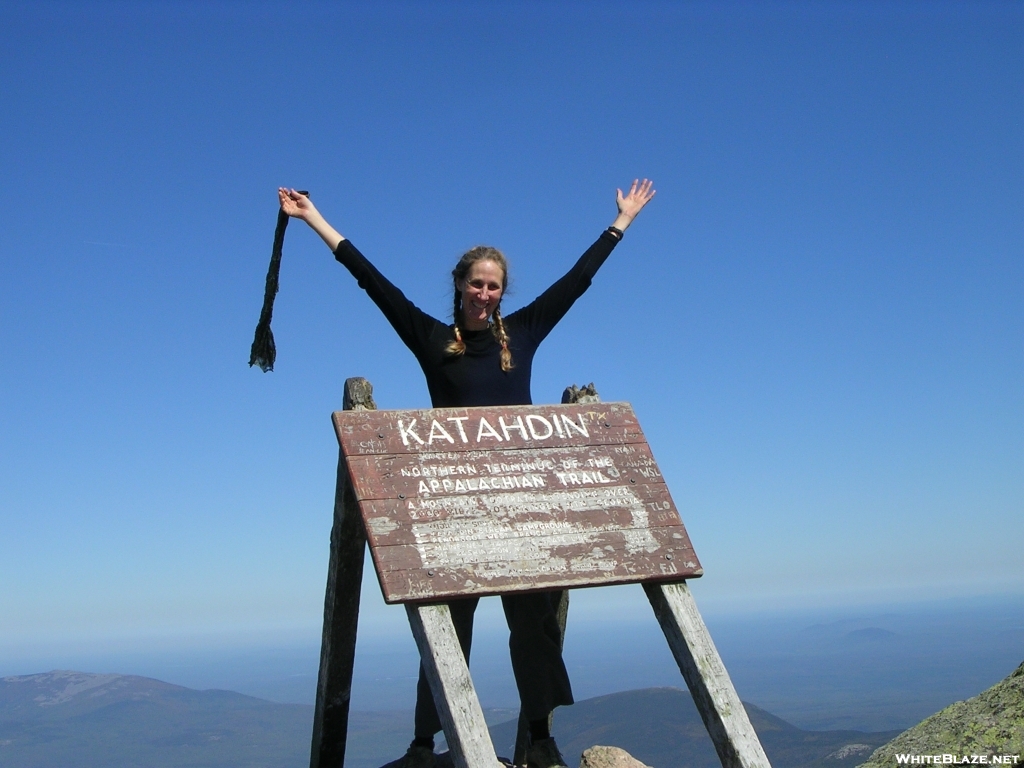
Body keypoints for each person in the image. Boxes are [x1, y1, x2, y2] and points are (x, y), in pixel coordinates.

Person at [279, 179, 655, 768]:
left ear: (502, 293)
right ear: (458, 285)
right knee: (447, 634)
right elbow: (372, 281)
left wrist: (622, 222)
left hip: (523, 511)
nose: (484, 294)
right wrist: (313, 218)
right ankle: (425, 746)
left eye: (493, 286)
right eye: (476, 283)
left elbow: (577, 282)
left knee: (533, 629)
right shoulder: (433, 341)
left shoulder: (524, 334)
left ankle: (537, 739)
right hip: (454, 512)